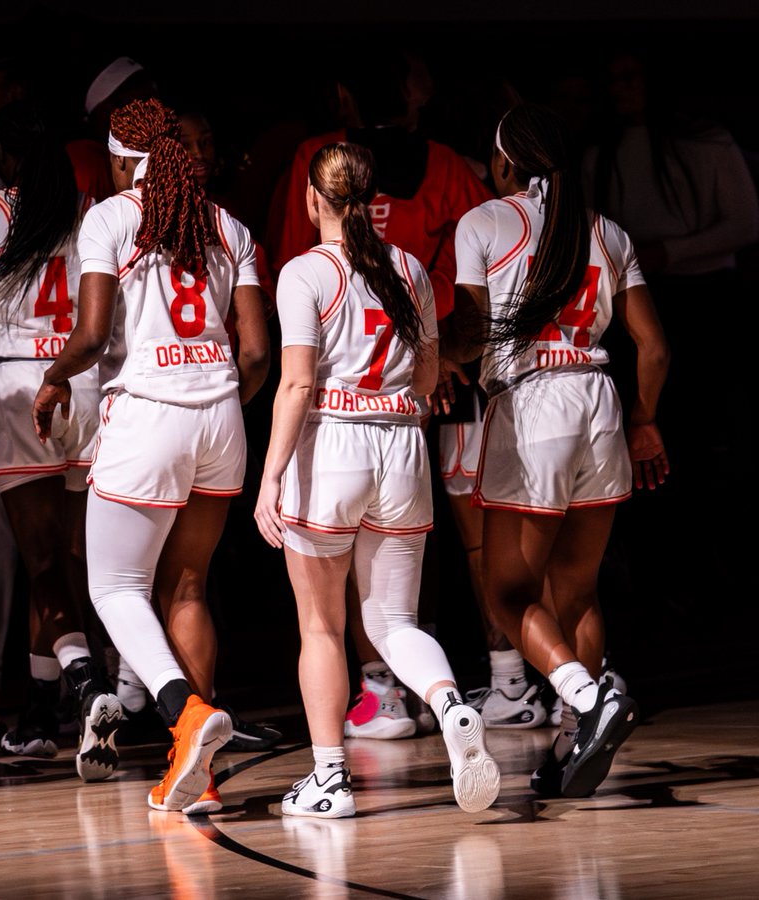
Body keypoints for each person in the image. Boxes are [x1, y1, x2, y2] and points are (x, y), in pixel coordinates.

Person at [33, 98, 269, 814]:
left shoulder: (109, 218)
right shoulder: (227, 224)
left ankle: (184, 714)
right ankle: (199, 771)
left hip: (150, 414)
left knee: (113, 588)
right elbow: (256, 349)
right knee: (188, 588)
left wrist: (51, 379)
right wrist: (222, 400)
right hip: (222, 415)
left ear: (118, 161)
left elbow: (94, 334)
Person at [255, 142, 499, 819]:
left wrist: (270, 476)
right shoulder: (411, 269)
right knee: (391, 620)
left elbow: (298, 382)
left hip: (330, 446)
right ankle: (449, 704)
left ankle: (330, 780)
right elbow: (427, 378)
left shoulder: (305, 273)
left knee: (322, 629)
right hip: (400, 448)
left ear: (312, 199)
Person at [449, 104, 669, 798]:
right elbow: (655, 348)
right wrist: (644, 419)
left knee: (508, 591)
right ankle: (576, 746)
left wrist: (434, 359)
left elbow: (474, 333)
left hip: (534, 403)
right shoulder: (607, 230)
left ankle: (588, 697)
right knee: (575, 589)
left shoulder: (484, 222)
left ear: (505, 162)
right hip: (601, 402)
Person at [0, 102, 121, 781]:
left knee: (41, 562)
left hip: (23, 385)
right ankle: (44, 715)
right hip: (85, 382)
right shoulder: (90, 213)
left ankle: (80, 692)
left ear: (1, 155)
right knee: (75, 559)